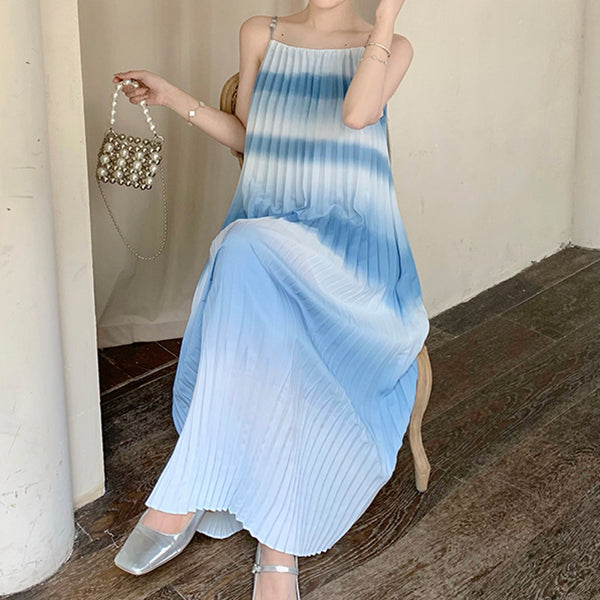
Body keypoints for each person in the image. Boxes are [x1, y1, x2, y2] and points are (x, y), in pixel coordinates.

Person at [111, 1, 429, 599]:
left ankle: (191, 503)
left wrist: (386, 16)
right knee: (245, 249)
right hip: (268, 234)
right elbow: (252, 136)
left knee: (242, 247)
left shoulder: (392, 44)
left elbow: (358, 113)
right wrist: (170, 95)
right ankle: (273, 541)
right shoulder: (261, 32)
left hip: (350, 254)